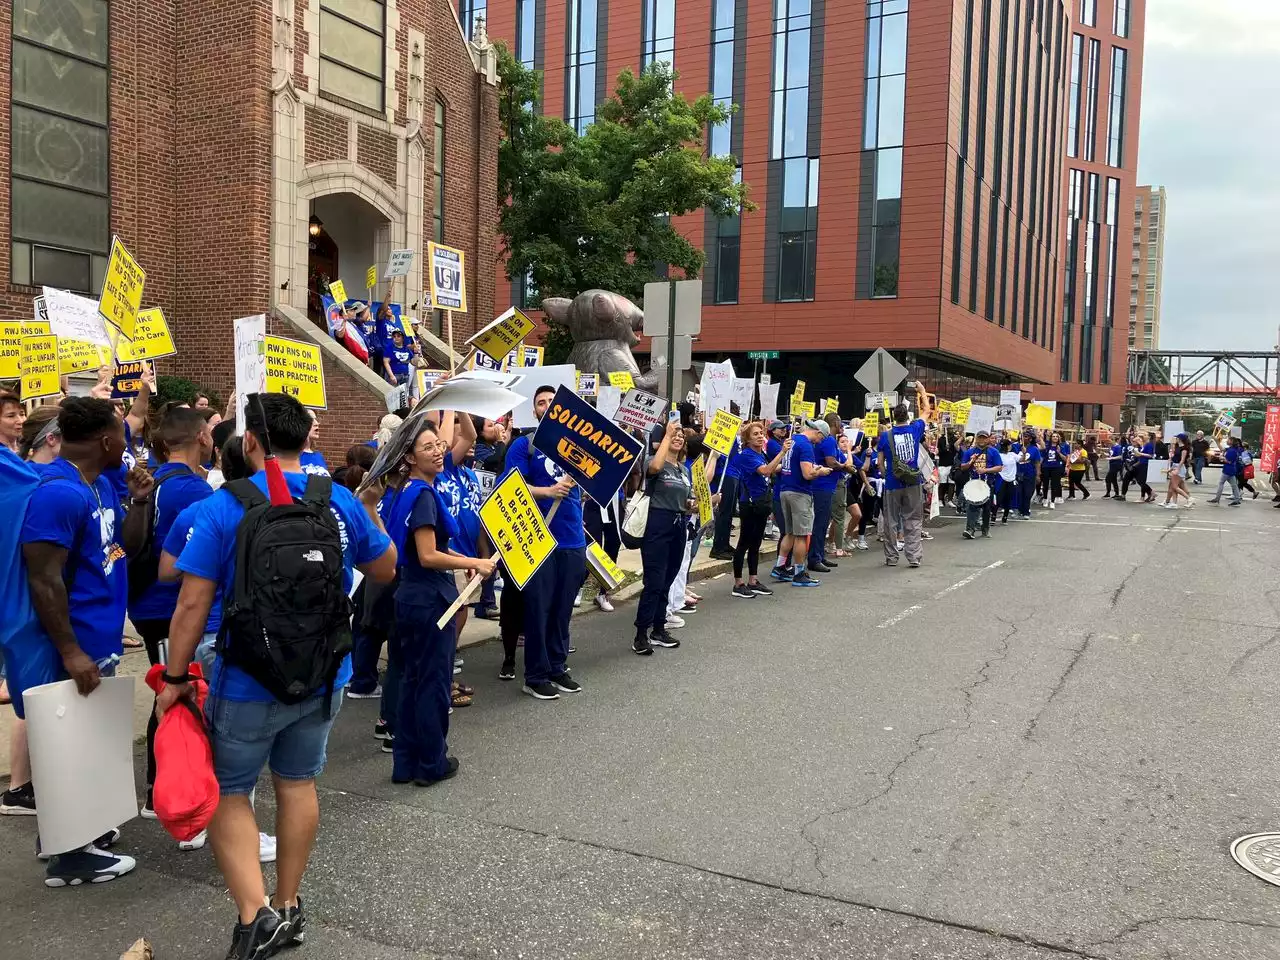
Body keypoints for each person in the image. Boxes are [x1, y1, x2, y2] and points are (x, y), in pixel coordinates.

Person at [156, 393, 396, 957]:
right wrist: (369, 511)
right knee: (298, 783)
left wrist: (173, 679)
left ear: (253, 444)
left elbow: (191, 605)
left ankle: (254, 914)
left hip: (246, 676)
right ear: (305, 439)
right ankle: (290, 905)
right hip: (323, 672)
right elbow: (385, 567)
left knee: (231, 791)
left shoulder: (224, 506)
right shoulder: (336, 500)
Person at [15, 397, 156, 885]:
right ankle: (71, 857)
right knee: (70, 746)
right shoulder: (59, 493)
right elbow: (43, 578)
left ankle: (72, 833)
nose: (129, 445)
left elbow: (122, 551)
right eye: (123, 435)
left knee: (85, 744)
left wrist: (139, 502)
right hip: (72, 646)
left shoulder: (93, 486)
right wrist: (71, 651)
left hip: (97, 640)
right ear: (105, 440)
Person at [378, 419, 494, 786]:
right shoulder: (423, 494)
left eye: (438, 445)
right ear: (409, 457)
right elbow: (428, 555)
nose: (438, 451)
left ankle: (405, 763)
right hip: (429, 598)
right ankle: (431, 763)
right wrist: (474, 562)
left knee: (412, 680)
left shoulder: (401, 492)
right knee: (432, 684)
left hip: (409, 596)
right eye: (427, 447)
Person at [127, 408, 216, 835]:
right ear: (201, 436)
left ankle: (164, 791)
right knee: (177, 695)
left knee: (172, 690)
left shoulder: (152, 481)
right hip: (171, 606)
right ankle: (169, 795)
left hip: (145, 605)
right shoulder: (194, 492)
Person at [505, 385, 587, 698]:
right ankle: (535, 675)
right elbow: (511, 486)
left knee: (563, 610)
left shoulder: (577, 444)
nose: (547, 405)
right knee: (539, 610)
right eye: (541, 402)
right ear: (535, 411)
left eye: (552, 400)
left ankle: (557, 666)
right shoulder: (523, 445)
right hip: (538, 540)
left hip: (572, 539)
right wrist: (547, 492)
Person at [633, 418, 692, 654]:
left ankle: (659, 628)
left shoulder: (683, 469)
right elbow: (654, 470)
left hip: (678, 524)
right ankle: (640, 634)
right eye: (674, 434)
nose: (678, 437)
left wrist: (693, 505)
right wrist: (666, 436)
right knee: (654, 582)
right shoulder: (654, 460)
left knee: (668, 579)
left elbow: (683, 500)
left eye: (681, 435)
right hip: (657, 524)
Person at [773, 419, 833, 586]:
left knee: (790, 533)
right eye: (822, 438)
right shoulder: (806, 445)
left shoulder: (793, 440)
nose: (820, 441)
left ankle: (780, 567)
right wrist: (820, 471)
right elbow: (807, 474)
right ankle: (799, 573)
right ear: (818, 433)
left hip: (785, 489)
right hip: (799, 493)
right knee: (801, 535)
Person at [877, 389, 931, 566]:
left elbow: (880, 463)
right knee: (913, 519)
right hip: (913, 481)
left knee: (891, 521)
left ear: (894, 417)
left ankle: (891, 557)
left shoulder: (885, 436)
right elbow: (926, 411)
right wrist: (922, 392)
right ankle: (913, 556)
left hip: (893, 483)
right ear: (907, 416)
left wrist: (887, 475)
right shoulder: (915, 429)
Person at [729, 422, 784, 599]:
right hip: (750, 504)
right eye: (755, 434)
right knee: (744, 543)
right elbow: (766, 471)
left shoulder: (762, 454)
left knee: (756, 543)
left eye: (761, 433)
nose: (760, 436)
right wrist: (782, 452)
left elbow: (773, 468)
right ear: (747, 439)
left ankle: (753, 579)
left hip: (762, 502)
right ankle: (738, 583)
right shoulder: (746, 455)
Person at [809, 412, 846, 568]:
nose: (841, 426)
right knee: (820, 523)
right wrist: (844, 467)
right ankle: (815, 558)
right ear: (835, 423)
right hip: (822, 486)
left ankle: (820, 555)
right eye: (839, 423)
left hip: (825, 486)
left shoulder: (828, 440)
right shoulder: (829, 440)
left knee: (823, 523)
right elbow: (831, 462)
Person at [960, 430, 1002, 539]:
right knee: (972, 506)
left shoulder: (994, 452)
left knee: (987, 508)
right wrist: (971, 462)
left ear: (988, 439)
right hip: (973, 484)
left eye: (984, 438)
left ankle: (985, 529)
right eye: (980, 438)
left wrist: (985, 470)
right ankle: (970, 529)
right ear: (976, 439)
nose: (982, 440)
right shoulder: (969, 452)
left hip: (988, 484)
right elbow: (963, 467)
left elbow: (999, 467)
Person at [765, 420, 788, 540]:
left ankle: (772, 527)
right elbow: (782, 458)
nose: (784, 430)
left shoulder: (782, 441)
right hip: (776, 477)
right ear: (773, 431)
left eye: (784, 427)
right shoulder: (772, 444)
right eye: (780, 428)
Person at [1012, 429, 1041, 519]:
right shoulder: (1016, 447)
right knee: (1019, 492)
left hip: (1029, 474)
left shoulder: (1034, 449)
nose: (1023, 438)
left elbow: (1037, 462)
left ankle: (1026, 511)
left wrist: (1038, 474)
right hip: (1018, 474)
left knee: (1028, 493)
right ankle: (1019, 510)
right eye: (1022, 436)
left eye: (1026, 436)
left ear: (1030, 439)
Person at [1208, 436, 1244, 506]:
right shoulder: (1231, 449)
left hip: (1228, 469)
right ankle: (1237, 499)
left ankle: (1217, 498)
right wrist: (1216, 441)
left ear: (1232, 442)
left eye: (1229, 440)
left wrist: (1222, 458)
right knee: (1234, 485)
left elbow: (1229, 461)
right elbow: (1222, 449)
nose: (1227, 441)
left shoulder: (1232, 451)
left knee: (1221, 483)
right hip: (1231, 469)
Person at [1120, 431, 1154, 502]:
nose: (1134, 441)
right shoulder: (1143, 445)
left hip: (1142, 464)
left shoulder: (1148, 445)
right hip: (1138, 464)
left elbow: (1150, 455)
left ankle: (1149, 494)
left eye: (1145, 435)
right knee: (1132, 479)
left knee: (1141, 481)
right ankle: (1149, 494)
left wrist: (1139, 454)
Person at [1163, 433, 1194, 509]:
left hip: (1179, 468)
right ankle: (1174, 502)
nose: (1176, 439)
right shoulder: (1178, 446)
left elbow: (1182, 460)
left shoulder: (1184, 449)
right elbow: (1174, 457)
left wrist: (1177, 469)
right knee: (1174, 486)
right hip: (1175, 466)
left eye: (1177, 438)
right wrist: (1170, 469)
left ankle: (1189, 498)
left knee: (1174, 486)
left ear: (1180, 439)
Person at [1039, 432, 1066, 508]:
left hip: (1056, 467)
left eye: (1056, 436)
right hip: (1046, 467)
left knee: (1054, 484)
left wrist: (1059, 452)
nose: (1055, 438)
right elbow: (1042, 455)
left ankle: (1052, 501)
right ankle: (1045, 498)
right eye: (1053, 436)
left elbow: (1065, 458)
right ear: (1051, 438)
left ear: (1058, 438)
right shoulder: (1047, 446)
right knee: (1045, 484)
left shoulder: (1061, 447)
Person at [299, 411, 330, 476]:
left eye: (316, 419)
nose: (317, 423)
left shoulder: (318, 456)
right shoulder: (292, 457)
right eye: (310, 419)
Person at [996, 438, 1018, 522]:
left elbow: (1022, 459)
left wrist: (1023, 453)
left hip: (1011, 479)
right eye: (1009, 445)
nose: (1011, 446)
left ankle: (1005, 517)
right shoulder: (999, 455)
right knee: (999, 498)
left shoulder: (1012, 454)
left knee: (1009, 499)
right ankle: (993, 516)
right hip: (1002, 479)